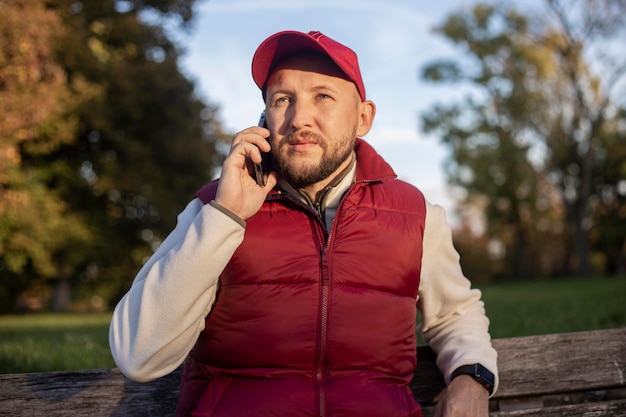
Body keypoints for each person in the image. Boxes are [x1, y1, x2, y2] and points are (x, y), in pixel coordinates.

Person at [109, 30, 498, 417]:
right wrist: (224, 217)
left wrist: (472, 377)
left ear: (363, 118)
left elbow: (454, 314)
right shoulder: (212, 210)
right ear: (264, 117)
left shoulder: (415, 214)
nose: (299, 119)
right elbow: (139, 356)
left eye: (323, 96)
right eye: (282, 99)